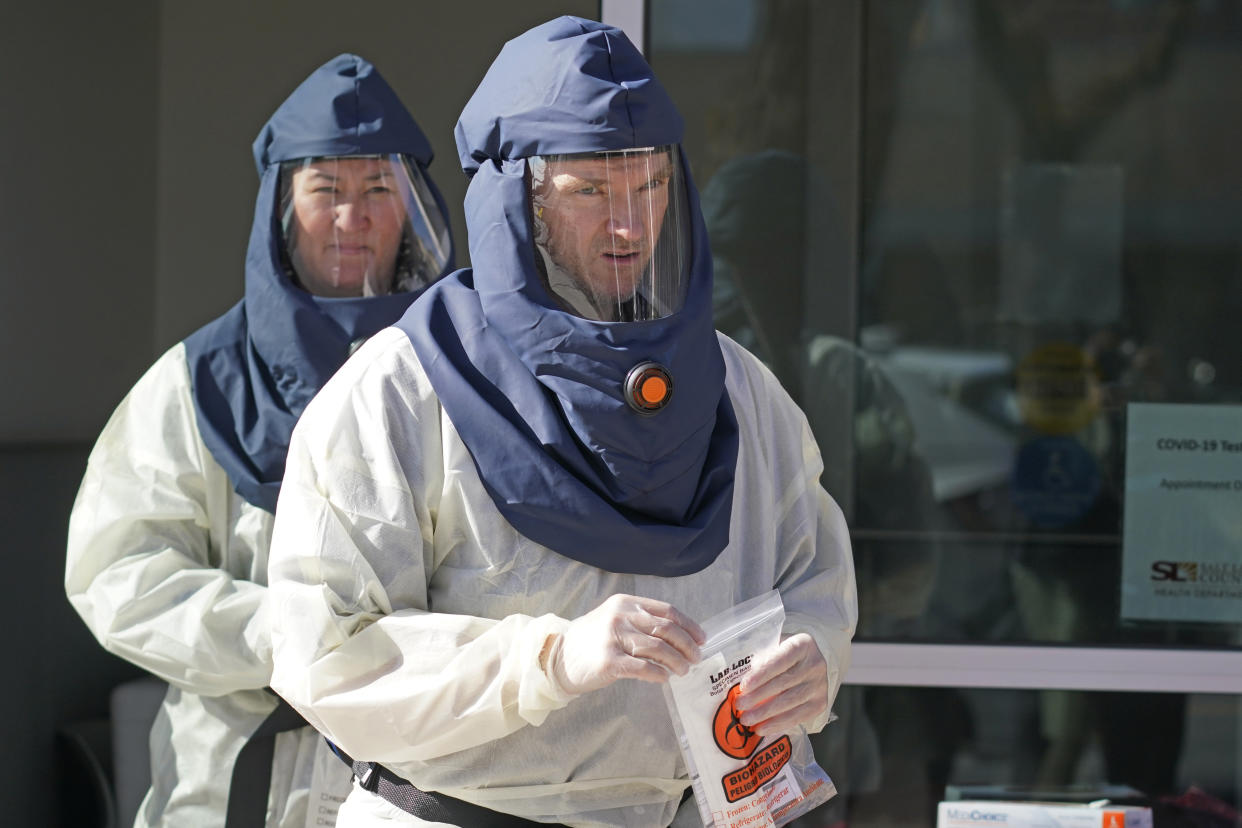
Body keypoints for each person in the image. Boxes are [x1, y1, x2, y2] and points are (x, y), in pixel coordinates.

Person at [266, 17, 857, 827]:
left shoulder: (741, 390)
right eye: (590, 192)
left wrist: (813, 656)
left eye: (649, 187)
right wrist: (550, 658)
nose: (629, 226)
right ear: (517, 201)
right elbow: (327, 656)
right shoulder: (400, 391)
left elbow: (814, 577)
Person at [65, 53, 455, 828]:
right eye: (326, 191)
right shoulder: (196, 382)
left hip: (412, 791)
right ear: (281, 206)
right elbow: (116, 570)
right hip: (227, 796)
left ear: (414, 206)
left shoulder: (459, 374)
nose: (353, 219)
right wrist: (290, 637)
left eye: (379, 188)